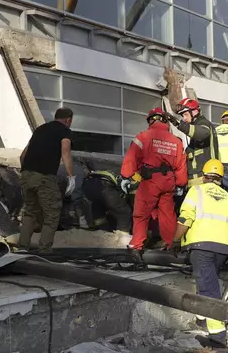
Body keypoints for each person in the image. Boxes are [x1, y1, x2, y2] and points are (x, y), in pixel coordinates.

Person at [173, 159, 228, 348]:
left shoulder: (196, 191)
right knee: (207, 284)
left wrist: (174, 241)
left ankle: (217, 336)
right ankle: (203, 319)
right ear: (220, 178)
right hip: (222, 249)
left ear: (203, 176)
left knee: (209, 290)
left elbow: (186, 218)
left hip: (201, 246)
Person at [121, 107, 187, 258]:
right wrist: (181, 184)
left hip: (150, 181)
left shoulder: (144, 136)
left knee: (141, 214)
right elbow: (181, 166)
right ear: (164, 121)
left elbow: (132, 158)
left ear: (150, 120)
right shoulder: (176, 141)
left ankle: (136, 247)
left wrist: (126, 176)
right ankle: (171, 245)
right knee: (168, 214)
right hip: (169, 182)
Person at [18, 108, 76, 253]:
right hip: (44, 177)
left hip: (26, 175)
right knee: (52, 213)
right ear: (68, 120)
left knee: (30, 212)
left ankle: (22, 248)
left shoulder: (40, 129)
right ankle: (44, 250)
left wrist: (27, 172)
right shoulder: (64, 131)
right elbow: (66, 152)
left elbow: (23, 155)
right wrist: (71, 176)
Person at [170, 99, 219, 187]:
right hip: (197, 180)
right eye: (182, 115)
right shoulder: (196, 128)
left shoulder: (204, 123)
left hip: (205, 179)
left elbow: (202, 133)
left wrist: (179, 124)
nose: (184, 119)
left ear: (195, 112)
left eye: (185, 114)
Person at [81, 163, 133, 246]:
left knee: (98, 206)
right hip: (105, 186)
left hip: (88, 185)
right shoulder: (131, 175)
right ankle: (123, 240)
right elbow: (130, 192)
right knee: (124, 213)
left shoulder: (115, 167)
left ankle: (102, 233)